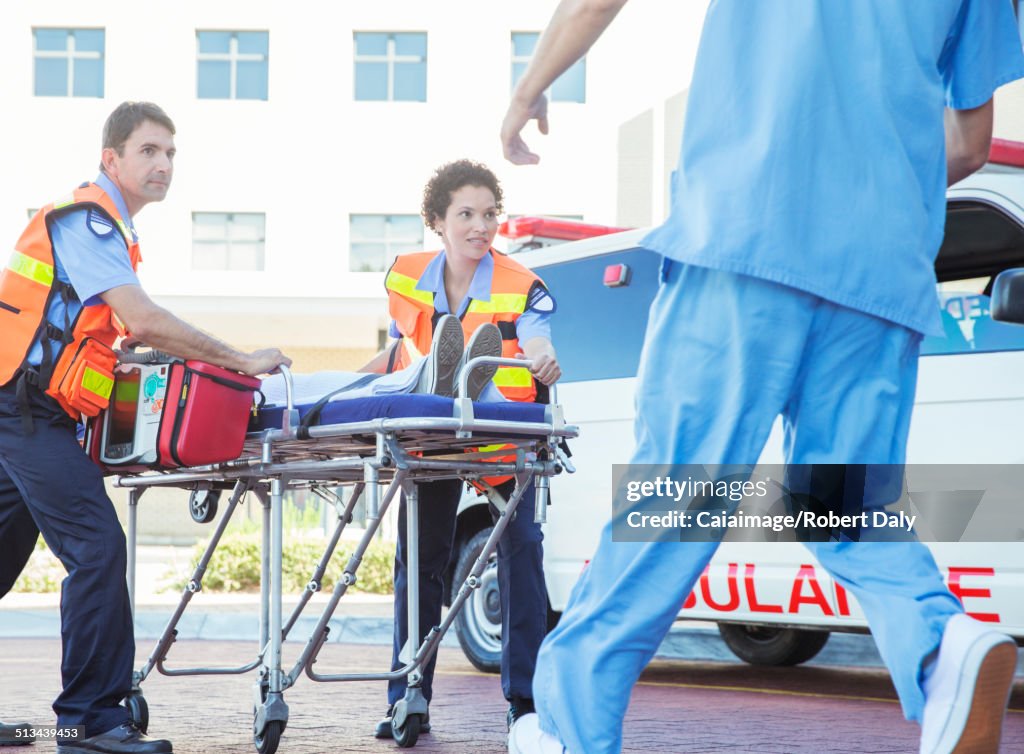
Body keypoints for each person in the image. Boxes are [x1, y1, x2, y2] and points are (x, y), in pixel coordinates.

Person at [499, 2, 1024, 753]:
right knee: (845, 504)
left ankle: (566, 727)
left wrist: (529, 90)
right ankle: (942, 650)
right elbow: (971, 144)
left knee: (679, 495)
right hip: (881, 264)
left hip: (748, 231)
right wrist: (871, 173)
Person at [0, 101, 291, 754]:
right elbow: (145, 319)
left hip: (24, 408)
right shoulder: (89, 220)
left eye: (171, 154)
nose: (163, 165)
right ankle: (92, 721)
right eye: (149, 151)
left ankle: (90, 717)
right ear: (112, 159)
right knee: (98, 549)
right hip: (20, 412)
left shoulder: (104, 228)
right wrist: (241, 359)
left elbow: (90, 330)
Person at [362, 159, 562, 738]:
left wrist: (543, 355)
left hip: (501, 437)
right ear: (437, 222)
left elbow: (538, 335)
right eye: (467, 214)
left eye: (490, 214)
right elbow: (396, 353)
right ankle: (408, 694)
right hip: (428, 437)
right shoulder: (404, 278)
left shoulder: (523, 285)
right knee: (420, 563)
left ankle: (524, 701)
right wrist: (347, 388)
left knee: (522, 548)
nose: (481, 226)